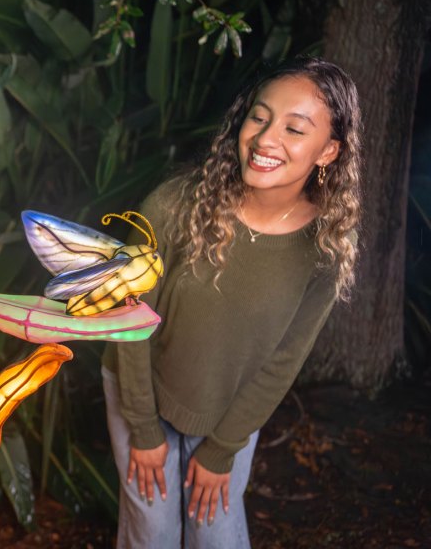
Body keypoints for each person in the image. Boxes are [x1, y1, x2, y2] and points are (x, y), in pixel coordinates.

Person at [100, 56, 362, 548]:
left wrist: (221, 449)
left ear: (328, 151)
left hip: (227, 415)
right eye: (259, 117)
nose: (265, 139)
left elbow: (282, 362)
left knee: (214, 532)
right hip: (140, 388)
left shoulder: (325, 249)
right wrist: (143, 429)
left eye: (294, 128)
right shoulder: (175, 205)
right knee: (151, 531)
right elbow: (126, 318)